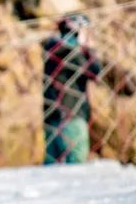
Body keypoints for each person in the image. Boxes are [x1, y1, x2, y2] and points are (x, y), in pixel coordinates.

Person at [42, 13, 102, 164]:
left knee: (52, 168)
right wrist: (89, 48)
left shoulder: (52, 48)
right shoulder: (72, 52)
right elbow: (95, 72)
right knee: (75, 165)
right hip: (72, 117)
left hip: (52, 118)